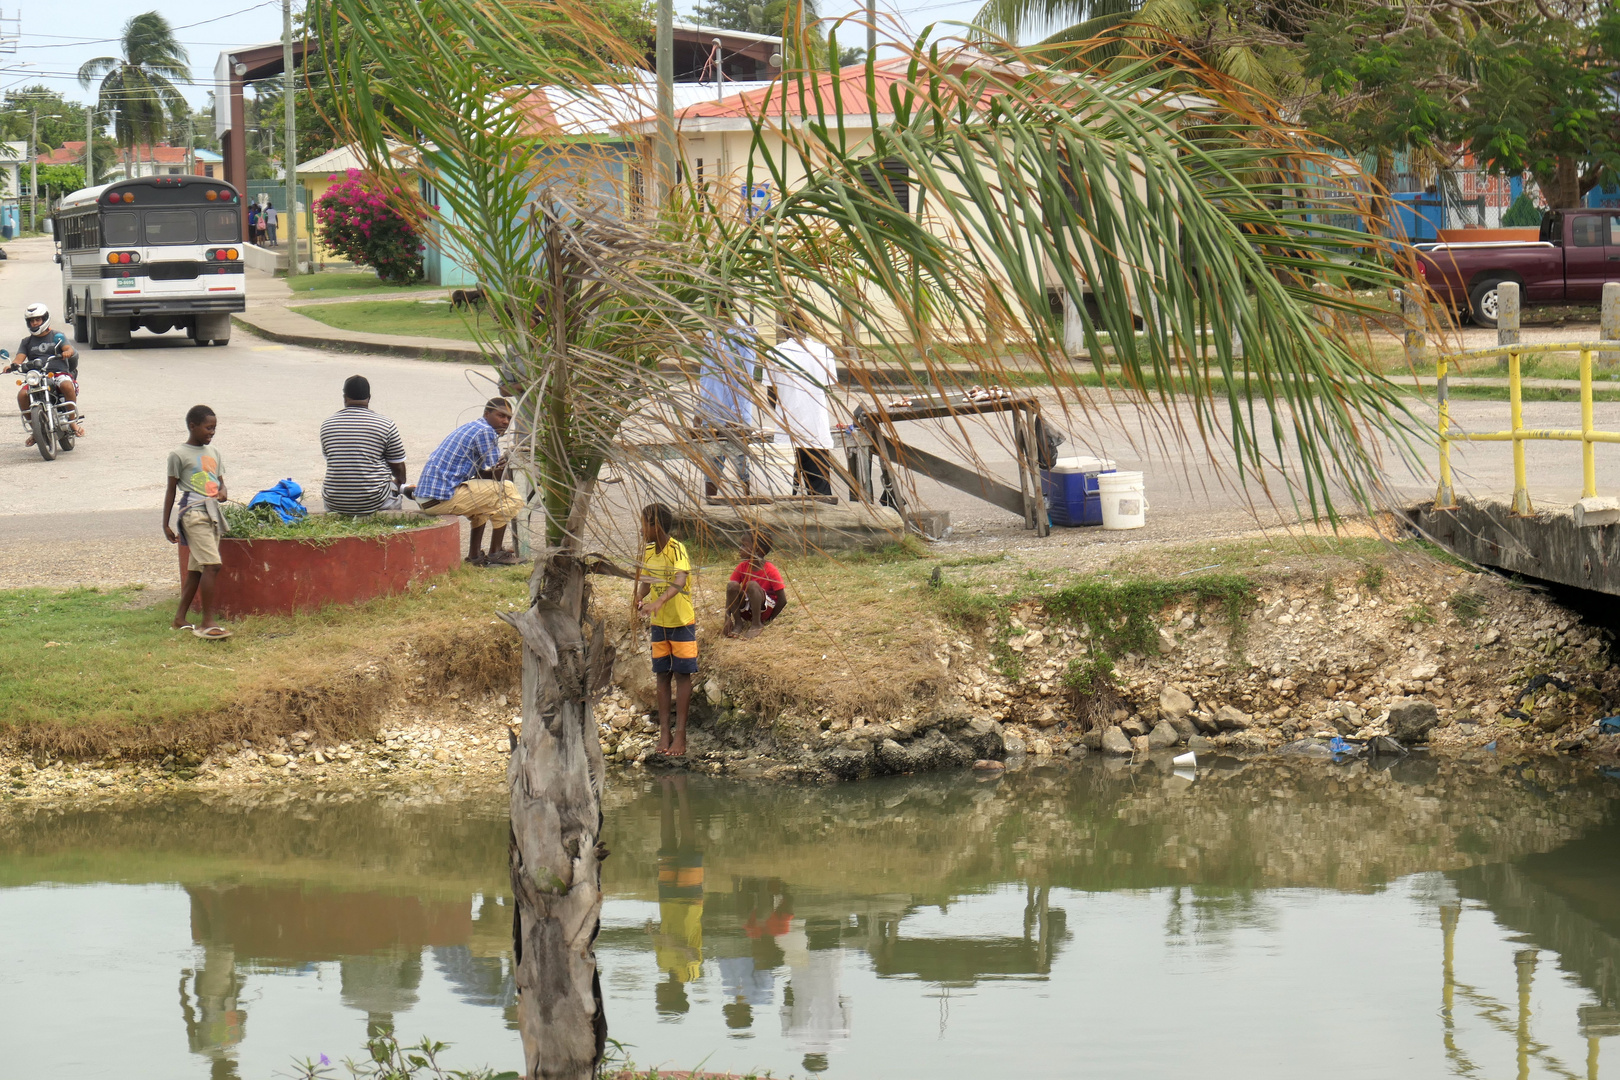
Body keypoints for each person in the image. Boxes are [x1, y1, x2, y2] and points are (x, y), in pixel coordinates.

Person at [406, 397, 523, 565]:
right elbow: (497, 476)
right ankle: (496, 553)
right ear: (487, 414)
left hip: (429, 499)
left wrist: (499, 467)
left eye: (509, 418)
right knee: (509, 490)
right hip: (440, 499)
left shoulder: (474, 427)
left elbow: (484, 473)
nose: (505, 422)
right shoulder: (486, 431)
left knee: (487, 498)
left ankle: (475, 556)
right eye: (501, 416)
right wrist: (507, 463)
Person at [163, 405, 232, 640]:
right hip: (193, 514)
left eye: (214, 428)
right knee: (212, 565)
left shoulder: (214, 452)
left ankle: (180, 618)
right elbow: (171, 490)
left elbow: (220, 482)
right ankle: (207, 622)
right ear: (192, 426)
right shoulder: (178, 455)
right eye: (207, 427)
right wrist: (166, 523)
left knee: (196, 570)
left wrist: (222, 491)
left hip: (212, 515)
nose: (211, 432)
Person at [635, 502, 695, 756]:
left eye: (643, 524)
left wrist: (660, 601)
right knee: (662, 676)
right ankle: (664, 733)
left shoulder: (676, 549)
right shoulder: (649, 552)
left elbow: (680, 580)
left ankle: (680, 734)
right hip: (659, 624)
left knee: (682, 676)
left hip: (681, 623)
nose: (640, 530)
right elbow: (647, 582)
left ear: (655, 525)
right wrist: (639, 599)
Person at [765, 314, 838, 497]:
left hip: (787, 432)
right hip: (816, 432)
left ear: (784, 329)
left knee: (785, 494)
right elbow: (827, 388)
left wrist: (785, 413)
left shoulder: (774, 354)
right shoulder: (824, 351)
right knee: (820, 493)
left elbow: (772, 396)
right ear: (807, 326)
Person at [319, 375, 407, 515]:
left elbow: (332, 459)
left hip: (335, 501)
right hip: (374, 500)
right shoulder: (385, 424)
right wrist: (399, 483)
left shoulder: (327, 425)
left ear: (345, 397)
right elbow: (397, 464)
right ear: (369, 398)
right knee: (394, 490)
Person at [696, 308, 757, 499]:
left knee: (741, 464)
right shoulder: (710, 335)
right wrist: (700, 411)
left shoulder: (743, 336)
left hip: (735, 416)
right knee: (711, 466)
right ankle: (710, 509)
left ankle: (748, 506)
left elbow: (744, 379)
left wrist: (735, 415)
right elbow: (706, 377)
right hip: (712, 412)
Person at [5, 303, 81, 447]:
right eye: (31, 320)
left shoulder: (57, 336)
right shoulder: (26, 342)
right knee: (22, 395)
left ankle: (72, 422)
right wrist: (12, 365)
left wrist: (66, 352)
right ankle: (35, 431)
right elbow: (19, 358)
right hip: (37, 376)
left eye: (38, 320)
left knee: (66, 385)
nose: (34, 323)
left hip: (57, 373)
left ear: (45, 319)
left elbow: (68, 348)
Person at [724, 528, 787, 639]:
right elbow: (731, 592)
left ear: (757, 549)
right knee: (732, 585)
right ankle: (739, 623)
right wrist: (727, 617)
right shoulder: (742, 567)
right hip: (747, 609)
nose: (740, 549)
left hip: (764, 609)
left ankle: (757, 624)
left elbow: (782, 600)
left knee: (752, 585)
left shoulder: (770, 570)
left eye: (744, 545)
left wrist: (769, 619)